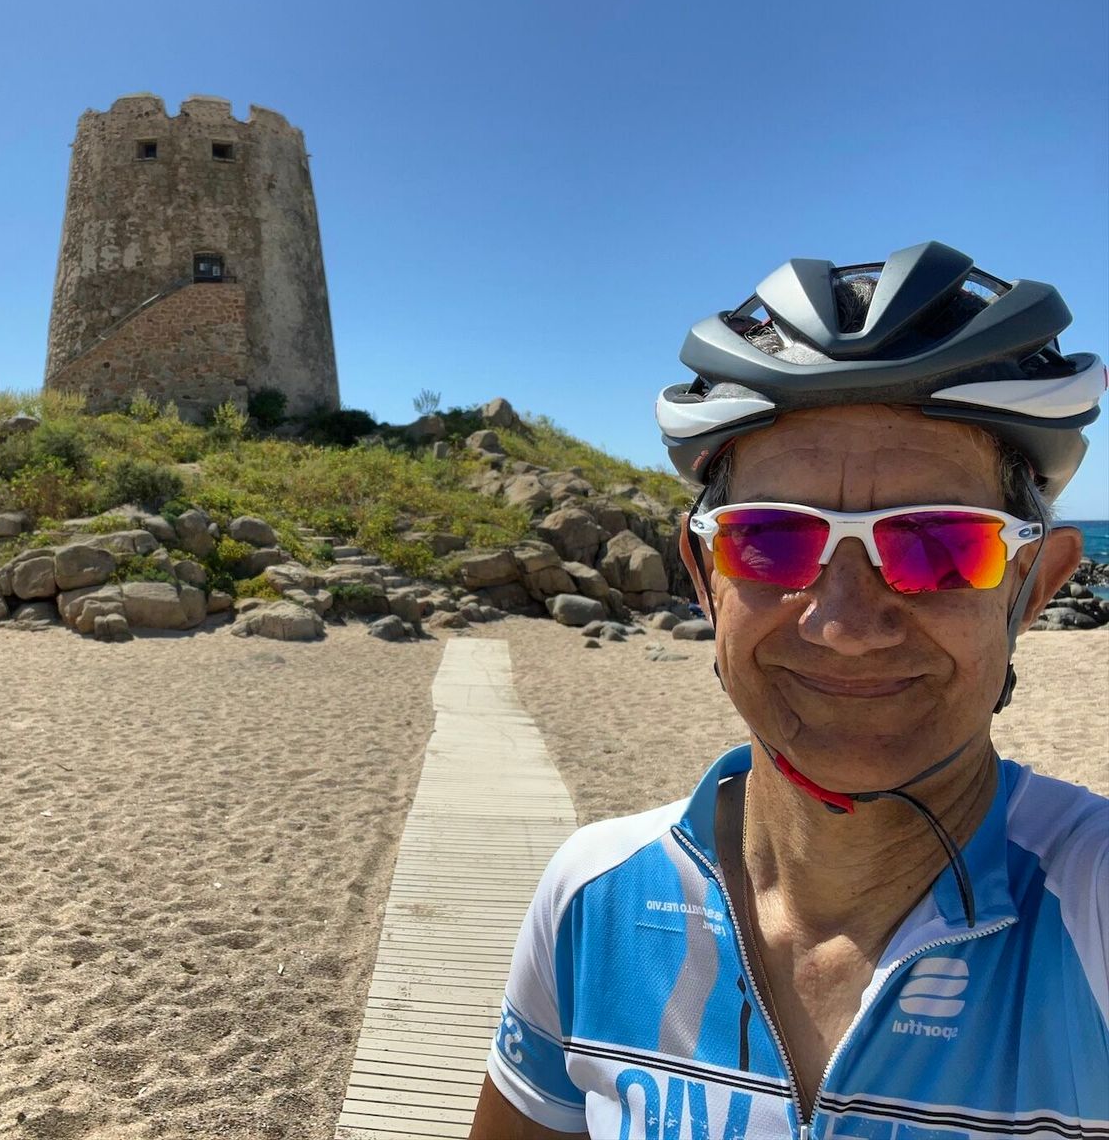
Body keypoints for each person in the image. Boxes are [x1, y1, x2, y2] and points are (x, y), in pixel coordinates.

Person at [469, 241, 1107, 1139]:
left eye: (939, 544)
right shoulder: (593, 900)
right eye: (772, 540)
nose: (844, 623)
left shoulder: (1093, 906)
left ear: (1033, 589)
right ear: (704, 576)